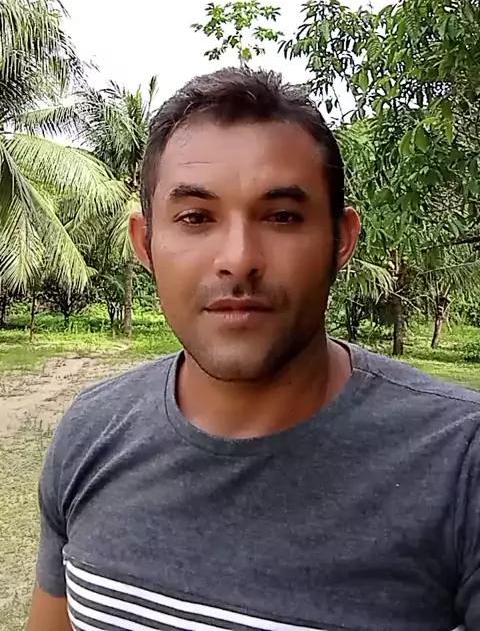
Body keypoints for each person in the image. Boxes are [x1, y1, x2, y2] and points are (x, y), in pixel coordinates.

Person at [27, 67, 479, 631]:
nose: (239, 259)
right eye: (195, 217)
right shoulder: (90, 433)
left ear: (340, 240)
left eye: (282, 216)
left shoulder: (460, 462)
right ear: (146, 243)